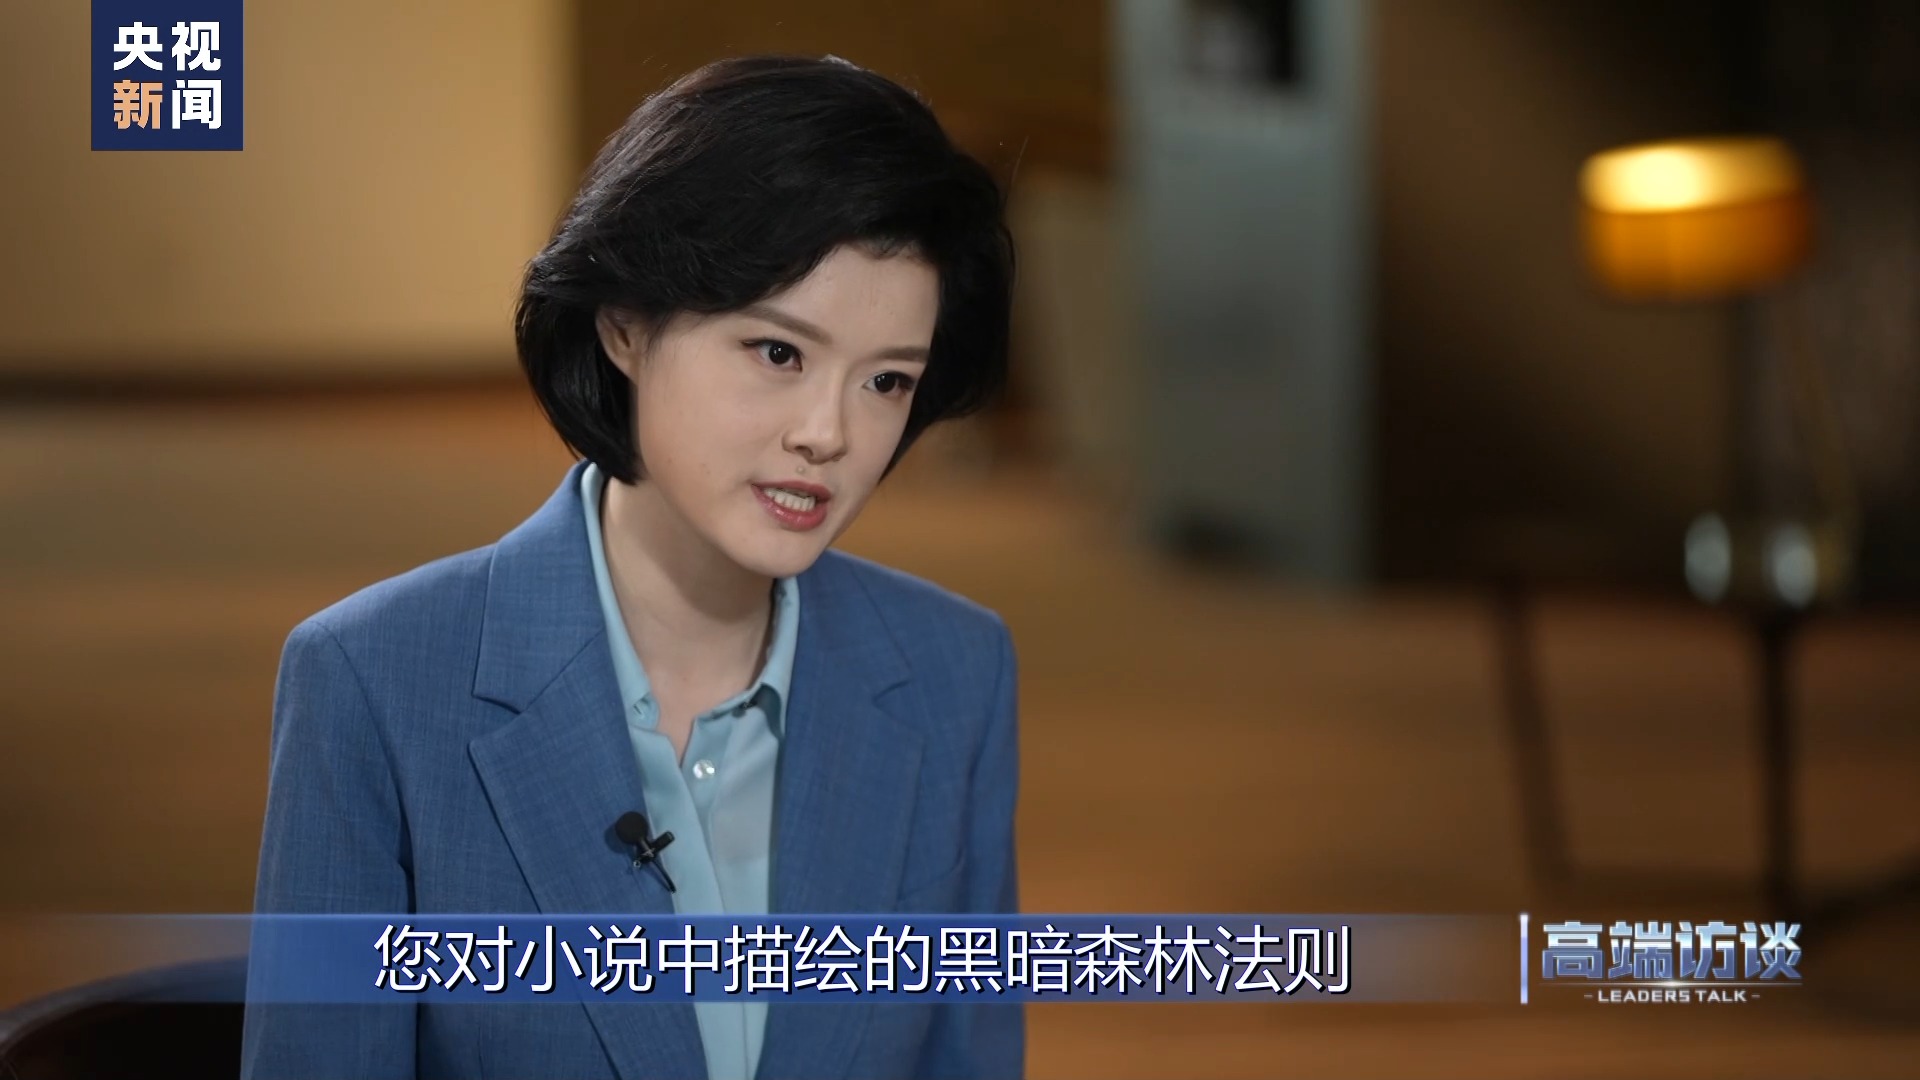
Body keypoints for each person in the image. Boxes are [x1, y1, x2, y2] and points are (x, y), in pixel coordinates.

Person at [241, 54, 1022, 1080]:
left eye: (886, 382)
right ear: (625, 324)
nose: (829, 434)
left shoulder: (956, 671)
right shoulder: (372, 682)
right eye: (778, 353)